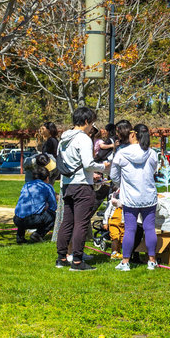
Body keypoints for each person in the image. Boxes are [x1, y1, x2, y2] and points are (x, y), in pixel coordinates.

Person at [55, 107, 102, 271]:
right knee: (81, 223)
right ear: (87, 121)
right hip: (82, 185)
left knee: (66, 222)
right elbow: (88, 164)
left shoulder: (63, 139)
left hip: (67, 184)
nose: (92, 128)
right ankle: (77, 261)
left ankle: (61, 258)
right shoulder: (83, 139)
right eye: (92, 123)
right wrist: (104, 167)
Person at [110, 123, 160, 271]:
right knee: (150, 228)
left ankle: (125, 262)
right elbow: (154, 170)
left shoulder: (122, 153)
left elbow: (113, 174)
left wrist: (120, 184)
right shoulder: (152, 153)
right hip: (149, 195)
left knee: (130, 229)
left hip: (130, 197)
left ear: (133, 134)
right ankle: (152, 260)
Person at [14, 154, 58, 243]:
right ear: (47, 178)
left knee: (23, 213)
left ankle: (20, 237)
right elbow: (53, 207)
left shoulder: (26, 185)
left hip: (17, 219)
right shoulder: (48, 187)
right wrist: (45, 207)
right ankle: (38, 234)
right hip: (32, 220)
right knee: (54, 216)